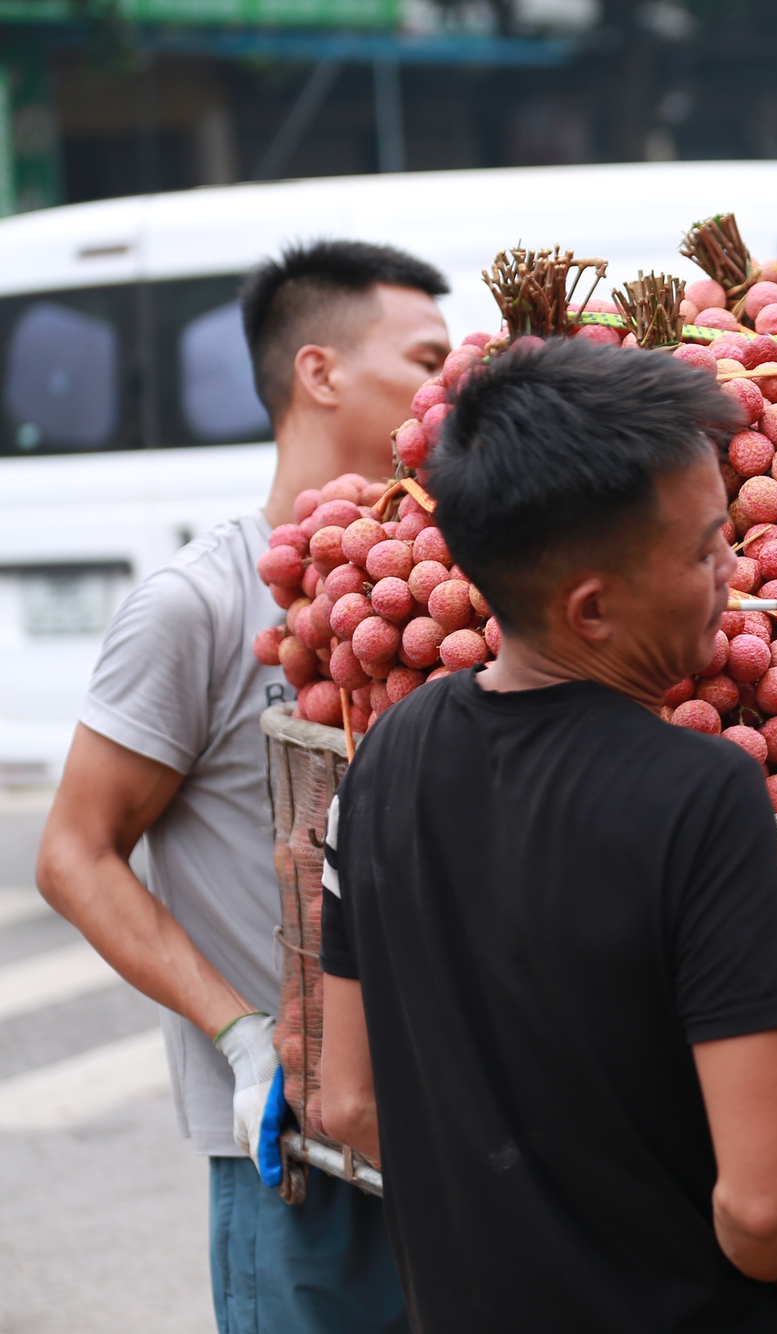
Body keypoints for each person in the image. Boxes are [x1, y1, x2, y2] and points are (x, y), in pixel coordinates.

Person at [313, 339, 777, 1334]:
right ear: (591, 606)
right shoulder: (701, 795)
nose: (734, 568)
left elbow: (349, 1103)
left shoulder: (382, 756)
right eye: (702, 549)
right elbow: (762, 1205)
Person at [35, 239, 449, 1333]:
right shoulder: (201, 601)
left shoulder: (452, 590)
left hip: (469, 1130)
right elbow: (73, 854)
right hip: (297, 1145)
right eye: (426, 360)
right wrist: (240, 1033)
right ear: (318, 372)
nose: (450, 390)